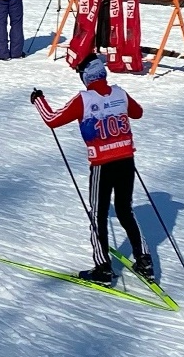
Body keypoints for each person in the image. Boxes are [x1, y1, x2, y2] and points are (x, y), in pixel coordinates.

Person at [30, 55, 153, 285]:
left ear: (86, 76)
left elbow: (52, 119)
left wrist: (39, 100)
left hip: (102, 165)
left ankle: (103, 269)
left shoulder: (84, 100)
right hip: (126, 160)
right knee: (125, 209)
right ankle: (144, 261)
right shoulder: (119, 93)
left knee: (98, 214)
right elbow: (137, 113)